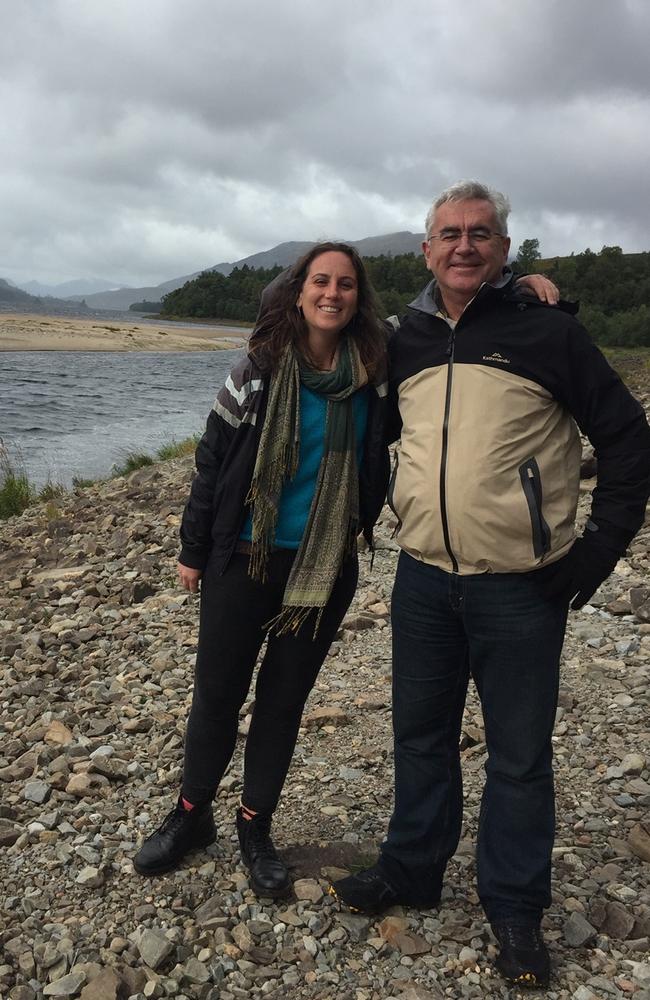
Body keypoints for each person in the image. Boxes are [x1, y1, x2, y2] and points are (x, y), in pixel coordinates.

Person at [330, 181, 650, 988]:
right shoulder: (403, 338)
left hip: (524, 586)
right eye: (449, 234)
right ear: (427, 250)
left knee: (517, 756)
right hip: (424, 580)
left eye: (480, 234)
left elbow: (626, 439)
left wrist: (596, 552)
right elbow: (317, 335)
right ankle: (413, 869)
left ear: (504, 250)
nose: (464, 245)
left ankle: (512, 904)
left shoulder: (549, 331)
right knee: (419, 738)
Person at [133, 241, 390, 896]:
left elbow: (447, 315)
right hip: (243, 561)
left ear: (359, 298)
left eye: (346, 285)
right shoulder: (258, 368)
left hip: (323, 568)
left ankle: (255, 826)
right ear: (299, 291)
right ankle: (192, 817)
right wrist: (194, 550)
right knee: (216, 698)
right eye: (320, 282)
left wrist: (520, 284)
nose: (333, 294)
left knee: (282, 703)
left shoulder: (375, 374)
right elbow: (212, 461)